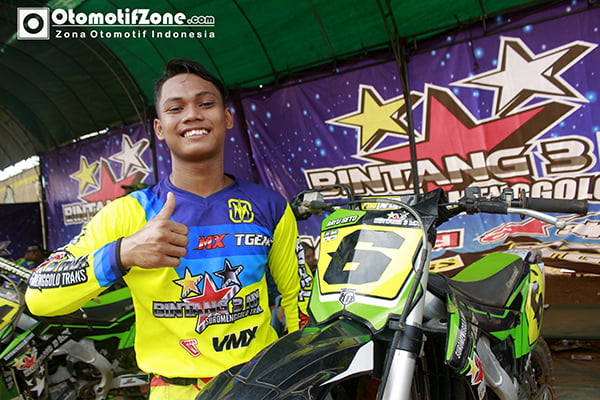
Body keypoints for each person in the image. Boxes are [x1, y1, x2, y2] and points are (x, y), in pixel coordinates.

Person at [25, 58, 311, 399]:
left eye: (206, 104)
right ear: (160, 128)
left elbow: (297, 299)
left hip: (259, 388)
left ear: (227, 117)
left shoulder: (270, 206)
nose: (192, 115)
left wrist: (302, 375)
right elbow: (39, 297)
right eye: (176, 108)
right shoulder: (128, 213)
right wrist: (122, 254)